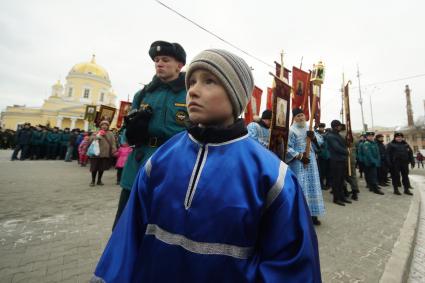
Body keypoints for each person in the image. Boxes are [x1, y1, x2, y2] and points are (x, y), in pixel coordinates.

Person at [90, 49, 321, 283]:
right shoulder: (160, 160)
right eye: (191, 82)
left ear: (235, 95)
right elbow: (127, 238)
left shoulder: (272, 176)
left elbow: (291, 266)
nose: (193, 90)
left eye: (209, 81)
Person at [113, 40, 188, 229]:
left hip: (173, 166)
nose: (159, 63)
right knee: (124, 226)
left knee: (162, 228)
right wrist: (130, 134)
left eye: (165, 60)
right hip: (138, 165)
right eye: (156, 60)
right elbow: (124, 133)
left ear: (179, 65)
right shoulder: (144, 94)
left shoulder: (190, 93)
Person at [285, 108, 325, 225]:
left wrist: (313, 138)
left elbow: (321, 141)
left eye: (302, 115)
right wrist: (299, 156)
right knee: (302, 187)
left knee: (313, 186)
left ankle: (313, 215)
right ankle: (301, 217)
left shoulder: (309, 128)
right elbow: (287, 147)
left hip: (311, 161)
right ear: (294, 118)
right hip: (299, 163)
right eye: (298, 116)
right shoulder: (291, 130)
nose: (301, 118)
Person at [326, 120, 351, 206]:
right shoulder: (331, 136)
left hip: (341, 160)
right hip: (336, 161)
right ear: (336, 126)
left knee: (341, 180)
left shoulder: (338, 135)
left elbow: (343, 144)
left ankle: (342, 197)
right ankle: (336, 198)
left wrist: (347, 142)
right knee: (336, 181)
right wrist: (347, 152)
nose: (341, 127)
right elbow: (337, 148)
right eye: (339, 126)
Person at [89, 120, 116, 186]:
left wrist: (114, 149)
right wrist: (96, 137)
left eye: (106, 125)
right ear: (100, 126)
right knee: (94, 167)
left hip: (105, 153)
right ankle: (93, 181)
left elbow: (113, 142)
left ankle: (99, 180)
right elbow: (90, 140)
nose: (104, 126)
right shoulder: (96, 132)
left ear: (108, 126)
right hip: (95, 153)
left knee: (101, 168)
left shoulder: (110, 133)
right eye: (103, 125)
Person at [316, 123, 330, 190]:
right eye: (321, 127)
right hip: (321, 155)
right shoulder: (317, 134)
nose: (322, 128)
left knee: (326, 171)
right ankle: (321, 185)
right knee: (321, 171)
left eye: (323, 127)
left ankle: (326, 184)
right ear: (319, 127)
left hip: (326, 155)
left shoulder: (325, 135)